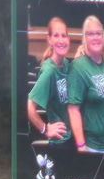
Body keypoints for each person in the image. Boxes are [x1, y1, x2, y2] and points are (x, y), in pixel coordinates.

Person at [67, 15, 104, 153]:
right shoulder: (78, 67)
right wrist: (81, 145)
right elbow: (73, 110)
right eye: (90, 34)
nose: (95, 37)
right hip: (94, 147)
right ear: (85, 37)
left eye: (98, 33)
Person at [27, 16, 72, 147]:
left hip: (72, 137)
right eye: (56, 36)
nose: (61, 40)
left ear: (68, 39)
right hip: (61, 142)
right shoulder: (49, 72)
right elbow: (29, 107)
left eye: (64, 36)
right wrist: (45, 129)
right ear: (49, 40)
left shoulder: (65, 63)